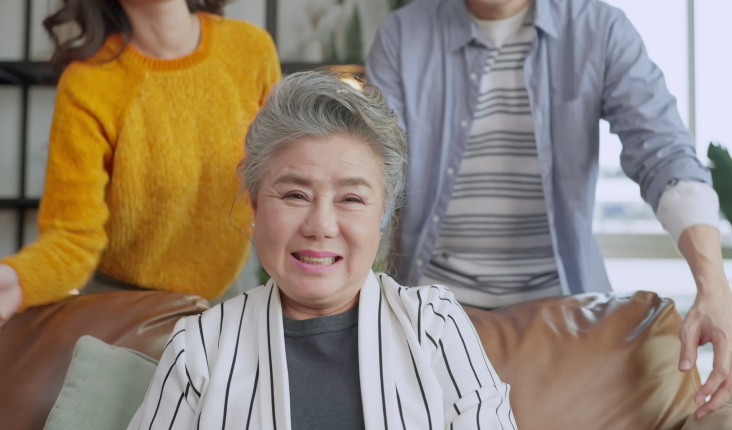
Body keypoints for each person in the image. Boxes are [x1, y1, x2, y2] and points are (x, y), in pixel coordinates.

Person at [365, 0, 732, 419]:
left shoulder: (600, 29)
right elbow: (377, 172)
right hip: (432, 318)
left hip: (566, 322)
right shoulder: (401, 36)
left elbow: (663, 154)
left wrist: (714, 288)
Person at [127, 71, 517, 430]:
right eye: (295, 195)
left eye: (351, 198)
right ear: (256, 204)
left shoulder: (433, 324)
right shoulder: (199, 346)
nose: (321, 226)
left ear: (381, 214)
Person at [0, 0, 281, 338]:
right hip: (118, 314)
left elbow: (281, 181)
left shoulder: (251, 49)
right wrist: (17, 279)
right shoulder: (88, 83)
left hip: (224, 303)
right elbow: (73, 237)